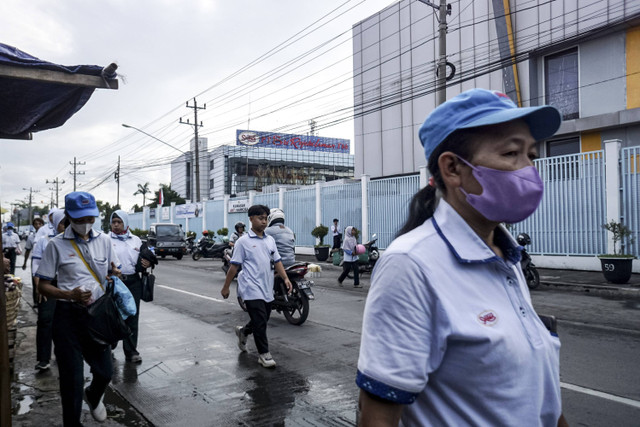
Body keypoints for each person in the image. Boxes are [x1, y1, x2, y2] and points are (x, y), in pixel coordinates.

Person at [356, 89, 568, 426]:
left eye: (531, 155)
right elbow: (378, 417)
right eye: (512, 153)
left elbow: (542, 401)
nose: (528, 169)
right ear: (453, 168)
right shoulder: (411, 266)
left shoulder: (507, 257)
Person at [36, 191, 121, 426]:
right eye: (80, 219)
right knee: (72, 381)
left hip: (97, 316)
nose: (85, 224)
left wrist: (114, 275)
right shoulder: (55, 245)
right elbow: (43, 286)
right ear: (69, 216)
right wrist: (69, 294)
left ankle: (94, 395)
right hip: (67, 318)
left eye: (90, 219)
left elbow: (112, 272)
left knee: (105, 372)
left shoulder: (104, 240)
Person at [220, 205, 292, 368]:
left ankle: (244, 331)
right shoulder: (243, 242)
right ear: (251, 219)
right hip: (250, 288)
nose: (264, 221)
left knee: (262, 319)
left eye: (266, 218)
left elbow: (278, 261)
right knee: (260, 321)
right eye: (260, 218)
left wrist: (285, 278)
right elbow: (234, 266)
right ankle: (264, 354)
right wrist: (226, 287)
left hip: (267, 287)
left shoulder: (270, 240)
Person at [109, 209, 151, 363]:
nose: (116, 225)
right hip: (114, 283)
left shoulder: (136, 241)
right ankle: (110, 346)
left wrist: (147, 263)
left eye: (119, 222)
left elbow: (144, 259)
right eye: (114, 222)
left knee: (132, 316)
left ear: (125, 223)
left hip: (133, 282)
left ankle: (131, 351)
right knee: (113, 315)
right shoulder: (106, 240)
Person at [32, 209, 67, 372]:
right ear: (55, 223)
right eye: (62, 222)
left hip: (68, 283)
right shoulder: (44, 240)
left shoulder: (74, 241)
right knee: (46, 320)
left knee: (67, 322)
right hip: (49, 282)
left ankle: (65, 355)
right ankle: (44, 358)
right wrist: (40, 287)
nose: (65, 226)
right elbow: (36, 265)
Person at [22, 217, 45, 306]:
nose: (38, 226)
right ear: (33, 226)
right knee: (35, 281)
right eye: (36, 224)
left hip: (46, 261)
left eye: (40, 224)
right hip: (35, 260)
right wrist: (24, 262)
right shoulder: (31, 237)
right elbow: (27, 250)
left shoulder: (48, 235)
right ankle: (36, 301)